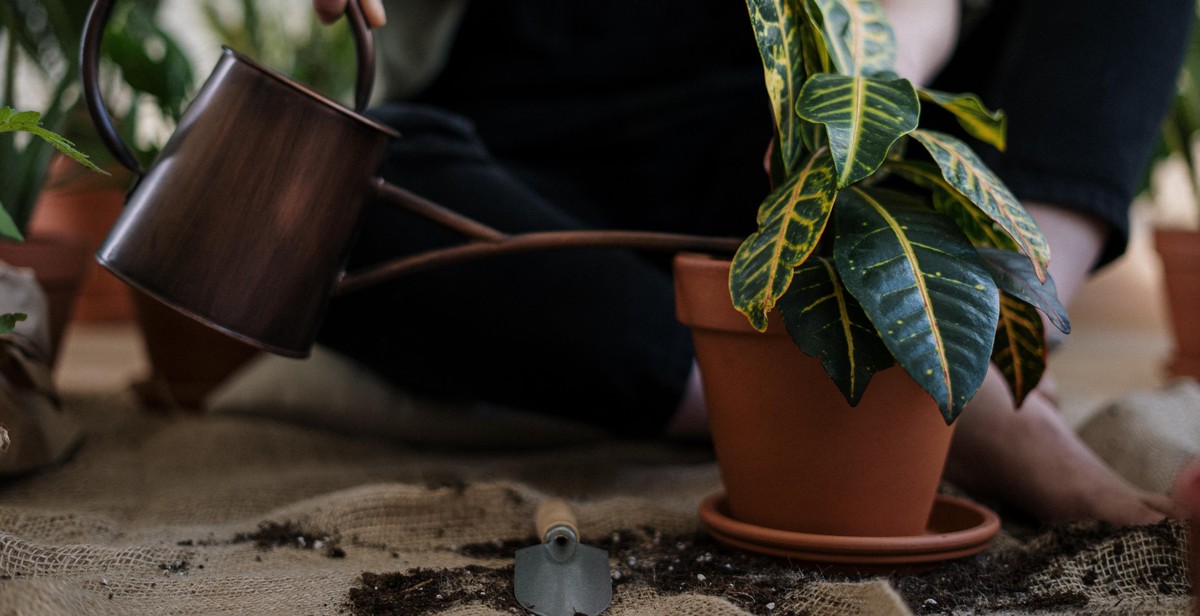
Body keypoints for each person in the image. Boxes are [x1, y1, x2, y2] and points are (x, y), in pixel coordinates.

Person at [312, 0, 1194, 526]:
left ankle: (999, 353)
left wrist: (851, 99)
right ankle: (880, 396)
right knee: (329, 187)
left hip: (781, 141)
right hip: (522, 152)